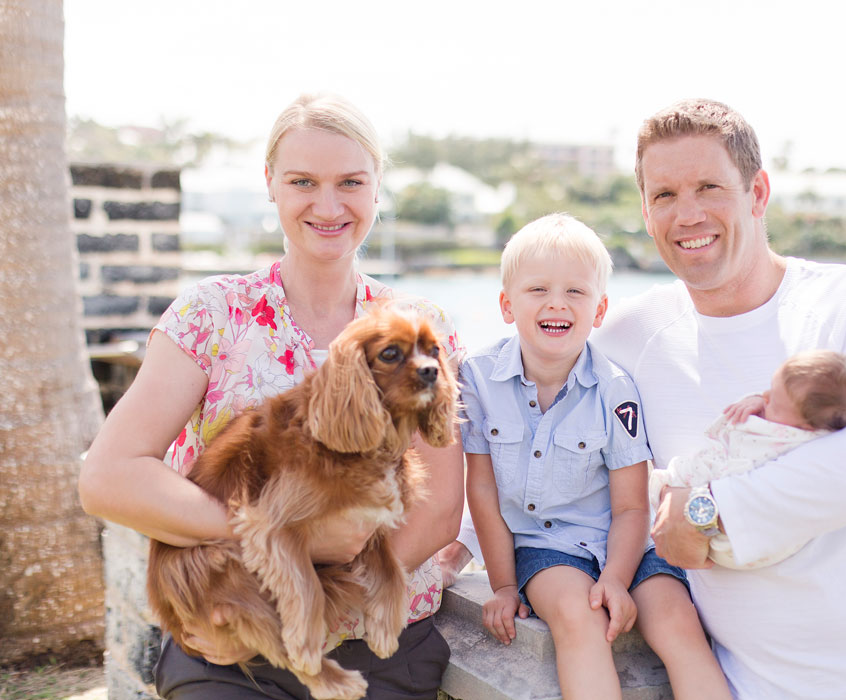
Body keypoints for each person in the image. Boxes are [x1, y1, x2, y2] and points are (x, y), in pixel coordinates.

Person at [591, 98, 846, 699]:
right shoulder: (627, 338)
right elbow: (540, 433)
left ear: (757, 192)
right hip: (761, 687)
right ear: (645, 213)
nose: (688, 214)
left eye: (709, 187)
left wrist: (708, 511)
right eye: (664, 195)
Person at [78, 93, 465, 700]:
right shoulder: (212, 316)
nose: (329, 205)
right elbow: (107, 478)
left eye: (351, 182)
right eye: (303, 181)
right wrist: (283, 553)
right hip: (232, 653)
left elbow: (439, 510)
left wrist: (308, 618)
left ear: (376, 188)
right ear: (270, 184)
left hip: (378, 648)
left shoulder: (421, 326)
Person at [460, 214, 731, 700]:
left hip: (628, 543)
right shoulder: (477, 379)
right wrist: (502, 585)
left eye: (575, 292)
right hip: (547, 547)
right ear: (506, 304)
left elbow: (631, 506)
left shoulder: (615, 390)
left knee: (677, 623)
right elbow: (481, 490)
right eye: (537, 289)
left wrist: (615, 578)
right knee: (576, 616)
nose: (556, 303)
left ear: (600, 309)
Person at [649, 349, 846, 569]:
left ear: (806, 427)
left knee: (682, 472)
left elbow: (732, 431)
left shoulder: (795, 441)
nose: (764, 397)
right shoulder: (813, 423)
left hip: (735, 541)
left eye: (773, 401)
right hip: (753, 545)